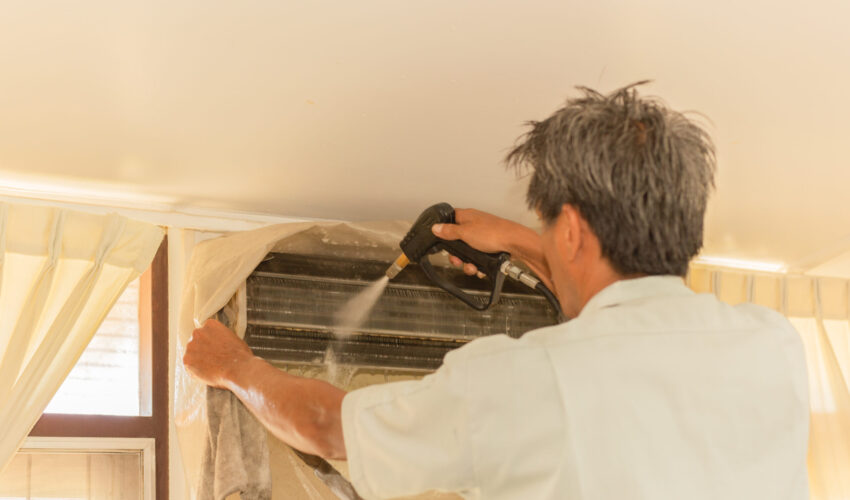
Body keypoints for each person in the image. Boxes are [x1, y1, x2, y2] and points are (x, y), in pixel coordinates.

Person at [183, 83, 809, 499]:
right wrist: (526, 242)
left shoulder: (518, 380)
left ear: (573, 232)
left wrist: (235, 366)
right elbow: (626, 320)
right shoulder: (772, 346)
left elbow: (324, 424)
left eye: (552, 228)